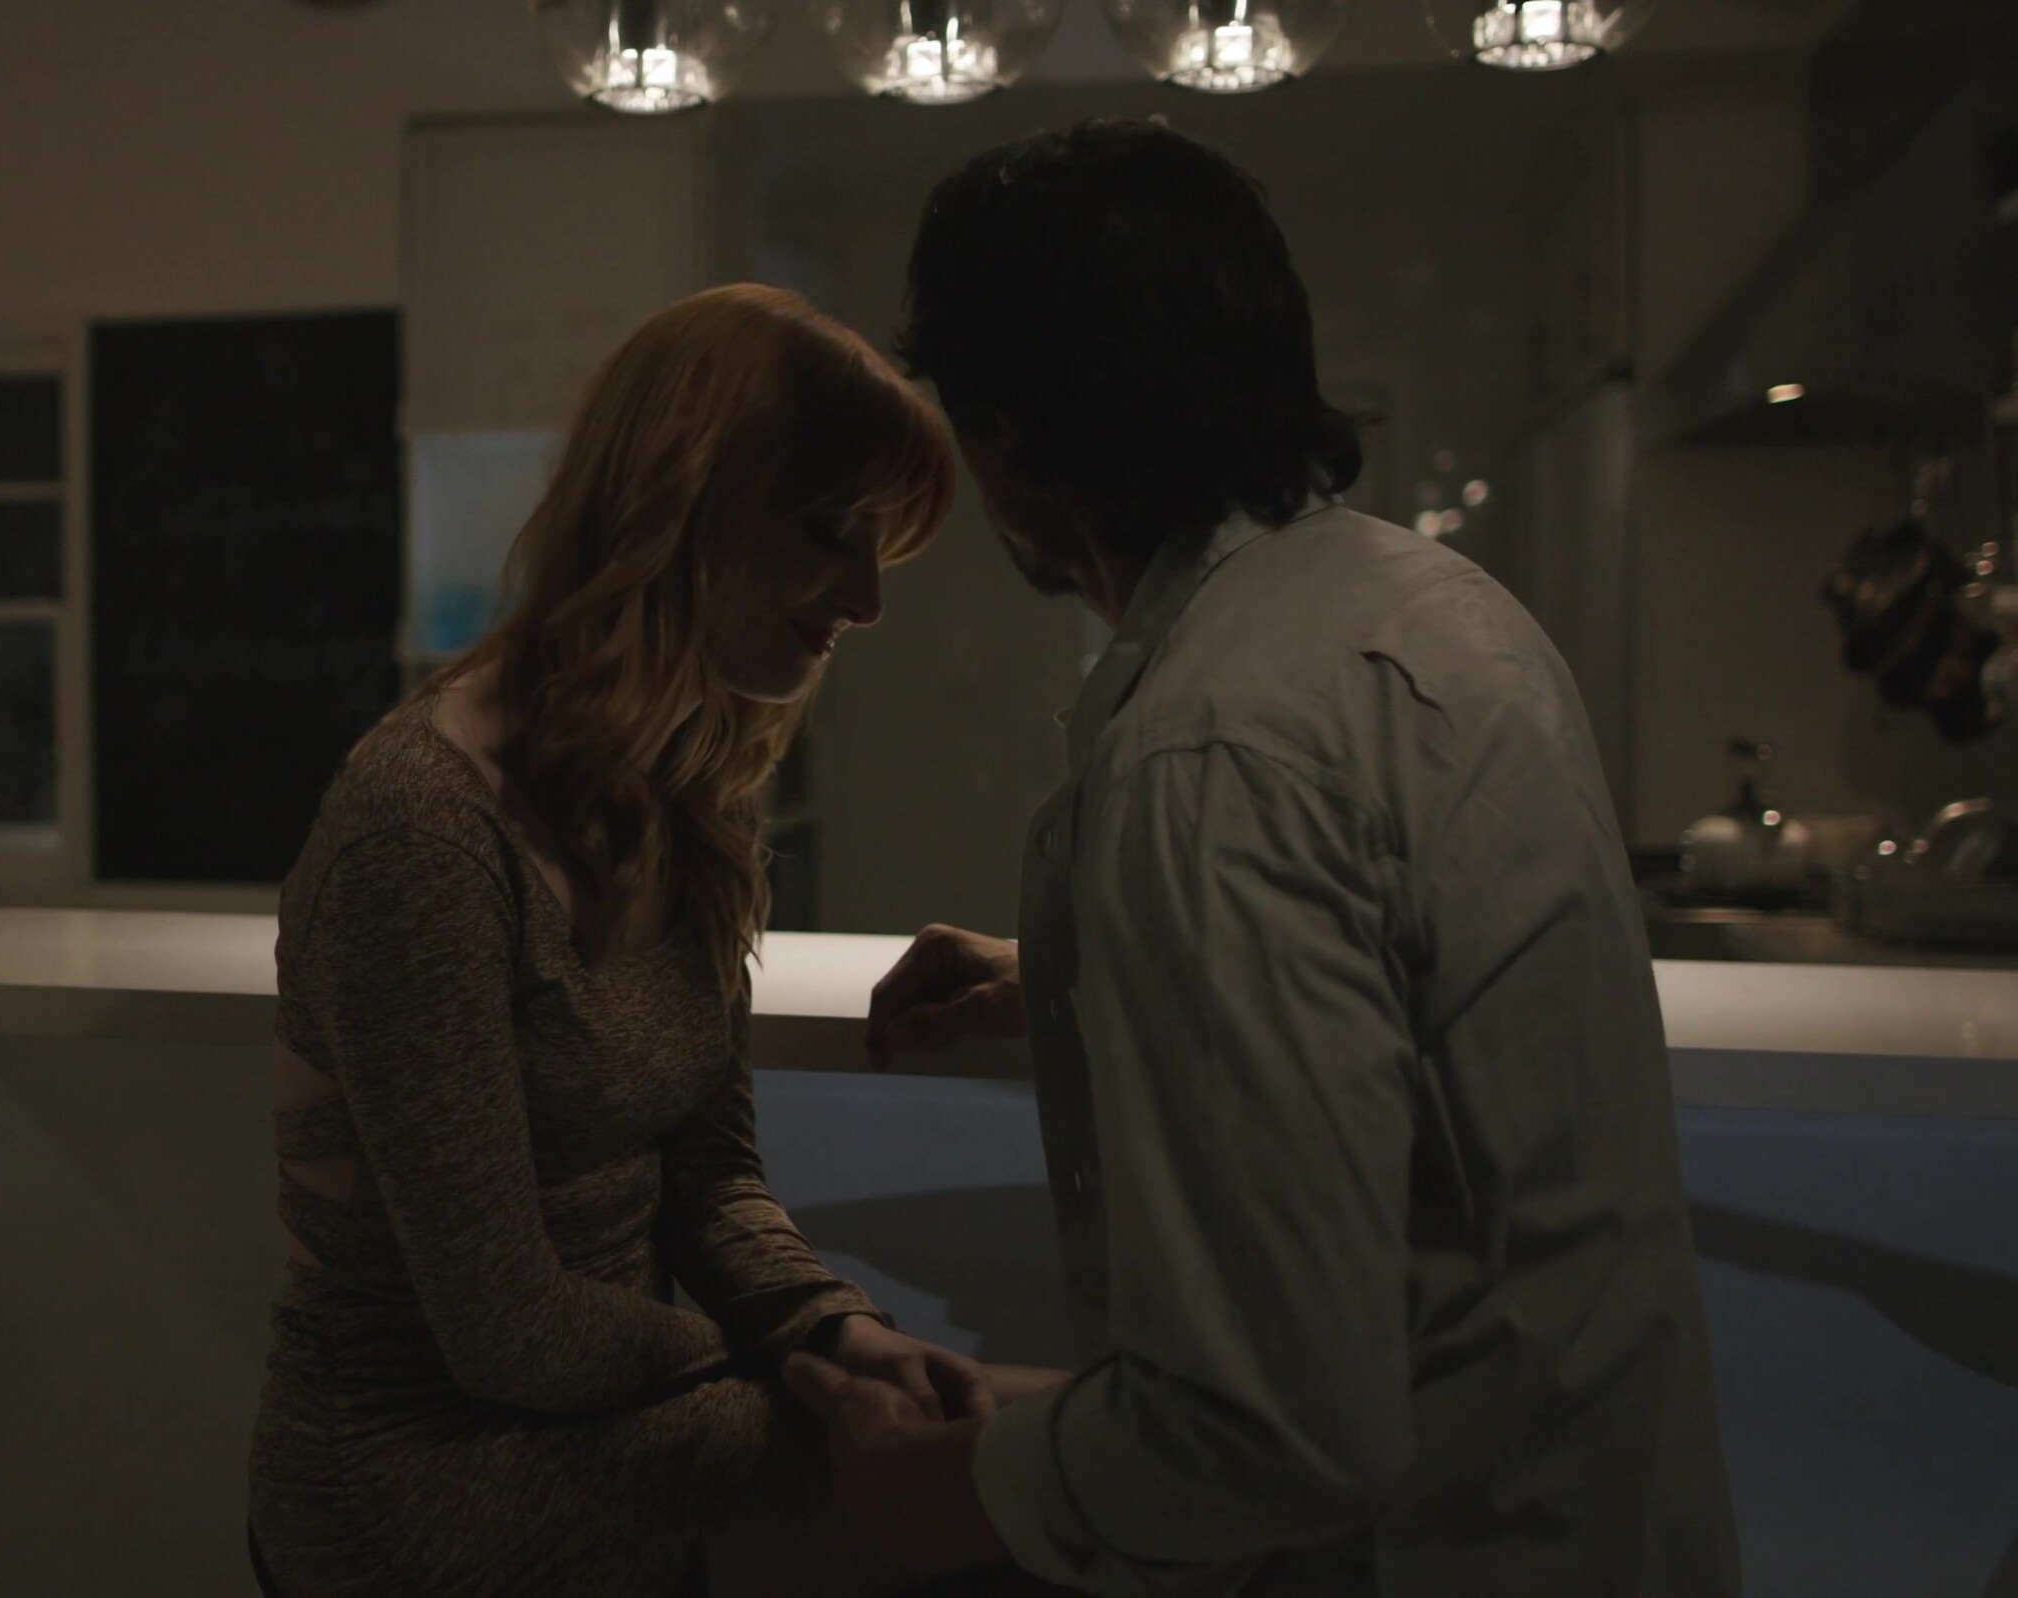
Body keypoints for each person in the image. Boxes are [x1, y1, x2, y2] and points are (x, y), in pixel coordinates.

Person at [789, 121, 1742, 1596]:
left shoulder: (1208, 749)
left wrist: (937, 1489)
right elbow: (1411, 999)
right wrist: (1090, 972)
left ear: (1013, 433)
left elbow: (1275, 1429)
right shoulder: (1443, 607)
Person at [250, 283, 1003, 1598]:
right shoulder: (422, 829)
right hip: (419, 1479)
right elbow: (507, 1331)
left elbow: (710, 1176)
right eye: (833, 535)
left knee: (1065, 1470)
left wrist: (840, 1333)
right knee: (1041, 1501)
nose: (869, 599)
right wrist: (793, 1374)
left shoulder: (684, 790)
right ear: (687, 509)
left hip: (622, 1412)